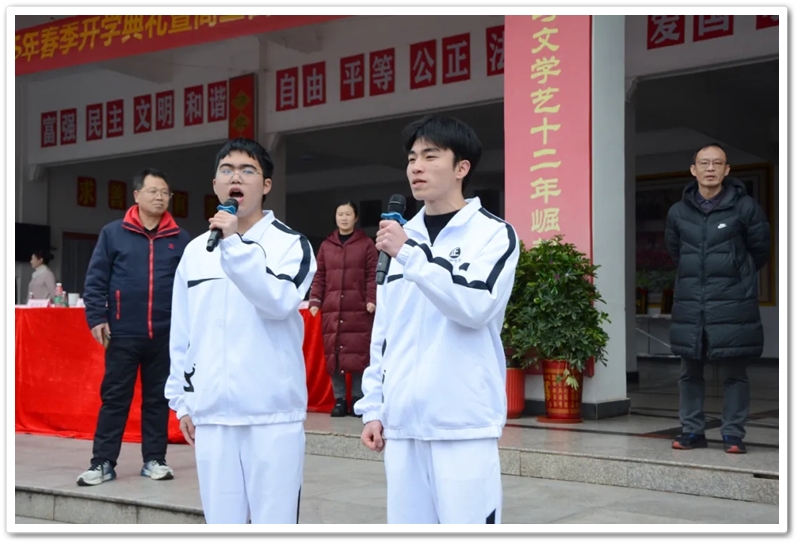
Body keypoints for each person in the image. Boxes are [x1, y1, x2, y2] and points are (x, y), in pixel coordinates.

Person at [353, 115, 520, 524]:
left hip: (462, 425)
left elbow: (476, 305)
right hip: (402, 426)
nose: (417, 167)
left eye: (430, 156)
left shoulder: (493, 234)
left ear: (462, 167)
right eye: (412, 158)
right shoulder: (401, 237)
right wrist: (373, 406)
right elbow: (384, 333)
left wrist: (411, 255)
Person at [164, 137, 316, 524]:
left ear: (266, 185)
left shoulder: (291, 244)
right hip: (213, 416)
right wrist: (182, 400)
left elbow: (279, 301)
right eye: (227, 170)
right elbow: (183, 331)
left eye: (248, 170)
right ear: (215, 184)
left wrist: (234, 244)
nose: (236, 177)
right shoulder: (196, 251)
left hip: (272, 415)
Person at [78, 168, 191, 486]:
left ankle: (155, 459)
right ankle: (102, 462)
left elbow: (191, 287)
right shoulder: (113, 233)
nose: (160, 197)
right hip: (122, 332)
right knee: (115, 399)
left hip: (165, 333)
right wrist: (97, 317)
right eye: (153, 191)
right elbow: (96, 278)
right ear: (137, 195)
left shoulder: (180, 239)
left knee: (158, 399)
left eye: (165, 192)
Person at [665, 143, 771, 454]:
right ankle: (691, 431)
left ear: (727, 170)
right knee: (689, 372)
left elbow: (759, 251)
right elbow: (676, 252)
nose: (710, 168)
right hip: (691, 303)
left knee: (735, 373)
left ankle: (733, 434)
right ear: (693, 170)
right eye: (704, 163)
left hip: (732, 302)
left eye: (717, 163)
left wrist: (736, 277)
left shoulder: (745, 208)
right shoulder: (678, 212)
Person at [309, 201, 378, 417]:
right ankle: (339, 399)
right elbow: (320, 275)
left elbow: (373, 274)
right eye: (340, 214)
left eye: (348, 214)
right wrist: (315, 300)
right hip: (332, 308)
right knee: (334, 354)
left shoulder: (366, 244)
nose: (344, 218)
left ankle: (358, 397)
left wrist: (372, 298)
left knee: (358, 353)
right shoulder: (326, 246)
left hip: (358, 307)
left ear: (355, 218)